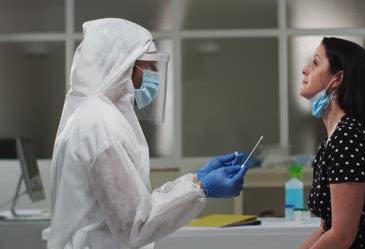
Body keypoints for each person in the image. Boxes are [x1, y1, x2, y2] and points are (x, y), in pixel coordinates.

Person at [46, 18, 248, 249]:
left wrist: (196, 179)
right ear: (122, 65)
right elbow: (134, 225)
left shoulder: (90, 115)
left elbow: (135, 204)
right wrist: (201, 189)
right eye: (149, 66)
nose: (155, 76)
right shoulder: (99, 124)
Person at [299, 37, 365, 249]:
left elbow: (341, 236)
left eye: (316, 63)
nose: (305, 69)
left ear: (337, 79)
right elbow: (325, 228)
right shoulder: (332, 141)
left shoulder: (349, 138)